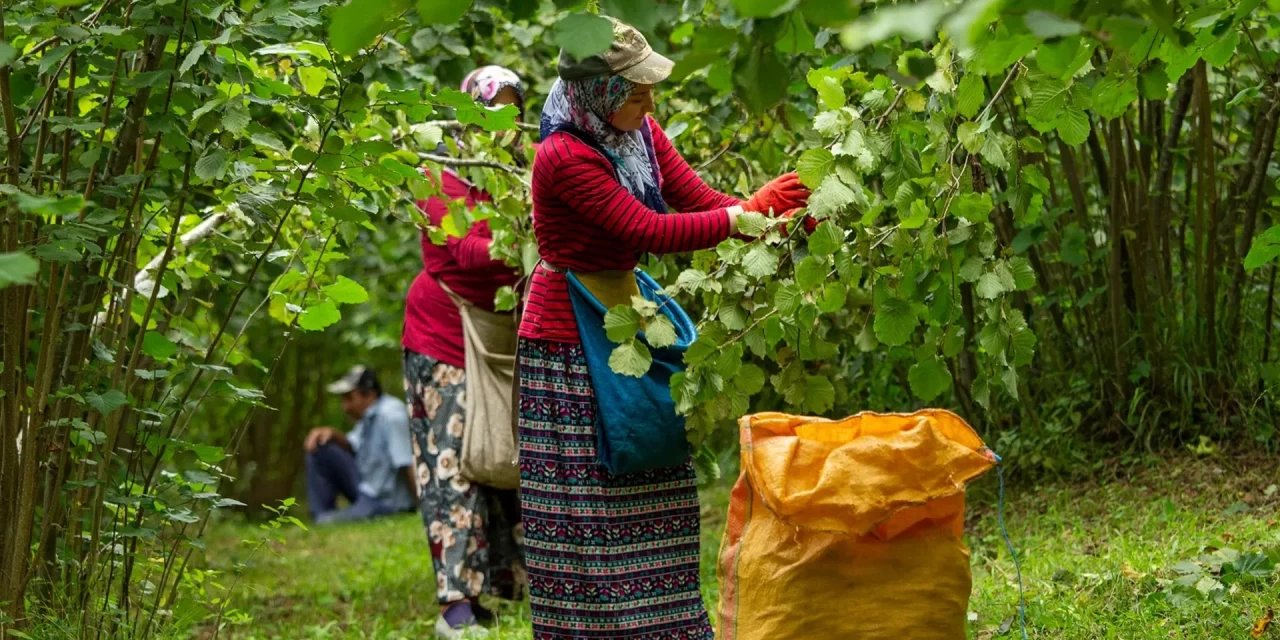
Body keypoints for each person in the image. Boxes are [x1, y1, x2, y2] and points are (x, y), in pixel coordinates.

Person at [517, 17, 810, 640]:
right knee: (593, 494)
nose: (651, 102)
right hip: (569, 333)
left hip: (626, 311)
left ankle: (666, 625)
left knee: (655, 463)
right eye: (637, 90)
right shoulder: (563, 156)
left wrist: (770, 219)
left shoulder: (638, 131)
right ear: (598, 92)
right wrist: (749, 214)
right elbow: (648, 231)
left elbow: (697, 199)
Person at [402, 65, 528, 639]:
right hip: (443, 336)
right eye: (490, 109)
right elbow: (469, 251)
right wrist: (530, 237)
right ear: (468, 115)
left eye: (511, 109)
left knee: (505, 457)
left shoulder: (521, 173)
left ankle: (507, 587)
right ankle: (456, 608)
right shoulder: (442, 176)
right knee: (452, 464)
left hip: (504, 338)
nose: (501, 122)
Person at [304, 365, 416, 524]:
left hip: (385, 501)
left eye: (349, 398)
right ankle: (320, 515)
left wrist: (423, 508)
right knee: (321, 448)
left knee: (327, 522)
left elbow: (407, 464)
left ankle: (324, 520)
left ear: (369, 395)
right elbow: (352, 445)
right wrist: (332, 434)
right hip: (366, 488)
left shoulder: (391, 416)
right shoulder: (368, 417)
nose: (345, 407)